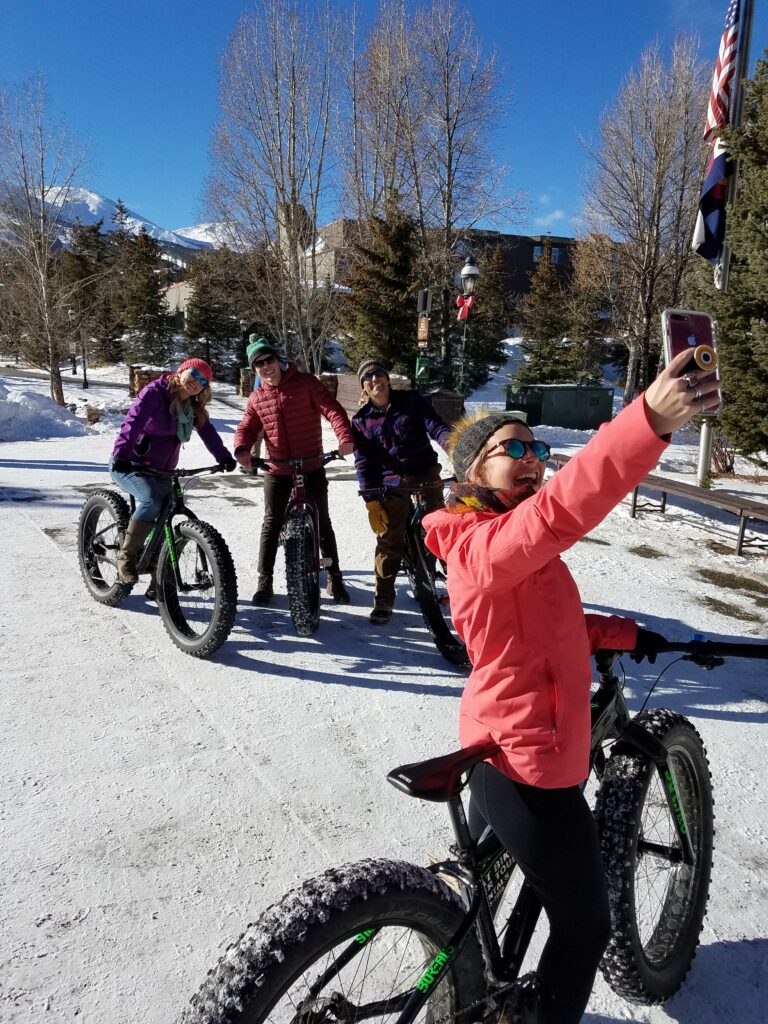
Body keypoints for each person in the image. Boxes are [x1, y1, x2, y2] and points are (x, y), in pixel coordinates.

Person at [421, 350, 720, 1024]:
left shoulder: (512, 548)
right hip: (527, 764)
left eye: (537, 446)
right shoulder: (480, 545)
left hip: (501, 744)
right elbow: (558, 511)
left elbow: (551, 625)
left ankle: (456, 960)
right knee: (586, 928)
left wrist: (626, 633)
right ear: (473, 472)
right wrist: (646, 420)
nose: (530, 456)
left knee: (477, 892)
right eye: (510, 448)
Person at [234, 337, 355, 605]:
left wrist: (344, 438)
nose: (266, 367)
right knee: (271, 522)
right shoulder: (257, 397)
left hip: (311, 464)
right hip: (277, 468)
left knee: (323, 522)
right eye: (259, 364)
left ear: (278, 360)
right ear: (254, 370)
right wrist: (242, 449)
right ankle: (264, 580)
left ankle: (335, 577)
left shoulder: (307, 384)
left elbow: (332, 410)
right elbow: (247, 427)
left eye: (269, 360)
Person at [110, 358, 236, 592]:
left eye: (203, 381)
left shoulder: (192, 408)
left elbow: (207, 431)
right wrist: (122, 454)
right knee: (151, 500)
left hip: (163, 470)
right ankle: (126, 558)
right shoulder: (155, 393)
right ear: (181, 372)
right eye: (194, 374)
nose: (196, 382)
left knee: (169, 509)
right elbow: (133, 422)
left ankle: (159, 576)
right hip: (132, 463)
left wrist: (223, 457)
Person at [351, 357, 450, 624]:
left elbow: (436, 426)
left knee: (439, 531)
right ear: (364, 386)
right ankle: (383, 599)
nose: (375, 380)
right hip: (391, 483)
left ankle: (428, 580)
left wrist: (453, 447)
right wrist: (370, 497)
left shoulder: (411, 400)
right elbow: (363, 462)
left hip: (424, 473)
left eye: (378, 374)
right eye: (368, 378)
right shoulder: (361, 421)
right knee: (388, 540)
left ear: (387, 378)